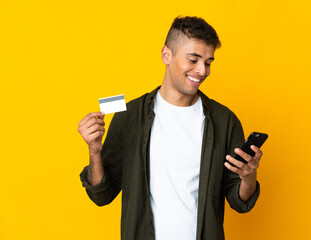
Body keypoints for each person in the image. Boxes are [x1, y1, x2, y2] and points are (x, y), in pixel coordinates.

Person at [78, 16, 262, 240]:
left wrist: (249, 177)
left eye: (208, 62)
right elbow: (102, 195)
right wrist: (94, 151)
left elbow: (239, 201)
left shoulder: (224, 121)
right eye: (193, 60)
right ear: (167, 55)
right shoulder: (130, 117)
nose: (202, 71)